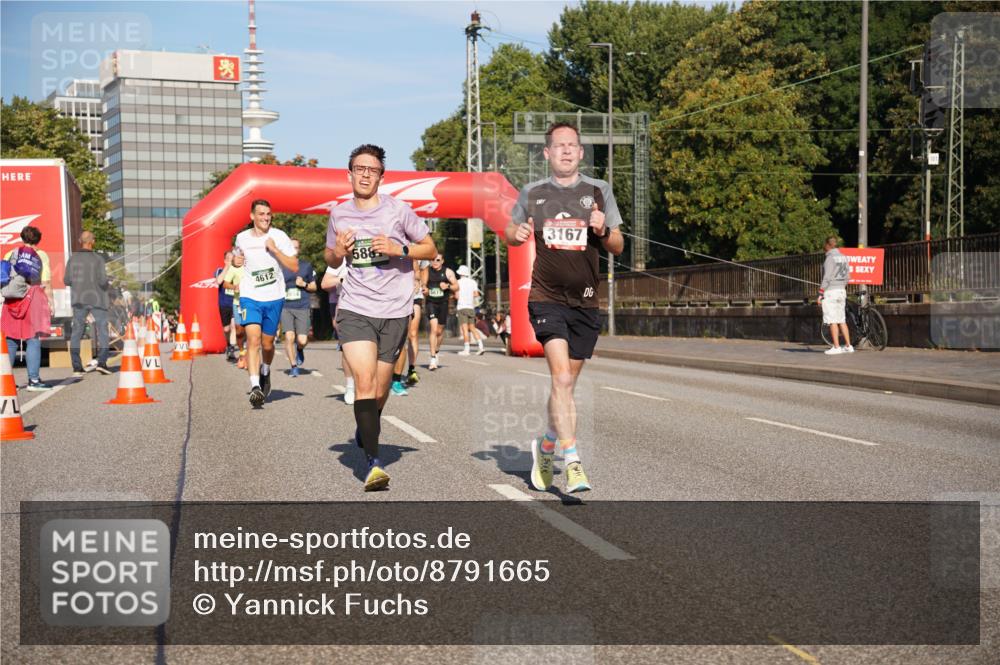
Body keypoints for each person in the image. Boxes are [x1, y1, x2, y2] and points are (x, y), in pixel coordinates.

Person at [505, 122, 624, 493]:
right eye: (559, 145)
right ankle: (572, 462)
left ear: (581, 152)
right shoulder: (533, 192)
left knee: (566, 385)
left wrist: (604, 230)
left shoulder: (599, 190)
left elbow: (618, 245)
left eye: (573, 145)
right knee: (560, 378)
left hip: (586, 302)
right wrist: (516, 234)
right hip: (546, 297)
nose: (567, 150)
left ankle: (546, 445)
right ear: (547, 153)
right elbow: (509, 230)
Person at [324, 143, 437, 491]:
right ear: (349, 174)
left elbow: (430, 248)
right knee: (364, 381)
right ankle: (373, 463)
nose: (365, 175)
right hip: (355, 308)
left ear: (381, 177)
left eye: (372, 170)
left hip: (395, 310)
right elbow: (330, 258)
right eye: (359, 168)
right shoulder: (339, 214)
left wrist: (398, 248)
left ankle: (367, 424)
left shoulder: (398, 211)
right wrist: (338, 251)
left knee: (380, 390)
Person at [234, 199, 298, 407]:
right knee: (253, 340)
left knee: (267, 344)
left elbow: (294, 266)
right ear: (252, 216)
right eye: (261, 214)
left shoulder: (279, 236)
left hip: (274, 296)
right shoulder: (242, 237)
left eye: (268, 214)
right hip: (250, 295)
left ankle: (265, 370)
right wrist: (235, 261)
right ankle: (255, 387)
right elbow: (237, 257)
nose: (265, 217)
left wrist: (275, 250)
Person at [2, 226, 53, 390]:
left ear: (22, 238)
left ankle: (6, 381)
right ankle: (34, 380)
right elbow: (45, 282)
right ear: (38, 240)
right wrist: (50, 302)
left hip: (11, 300)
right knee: (33, 339)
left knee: (10, 340)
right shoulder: (41, 255)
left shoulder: (10, 254)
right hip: (32, 299)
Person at [64, 230, 112, 376]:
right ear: (92, 242)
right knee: (102, 330)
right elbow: (102, 281)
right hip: (98, 299)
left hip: (79, 299)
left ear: (81, 241)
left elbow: (67, 280)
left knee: (77, 332)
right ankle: (102, 363)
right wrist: (107, 283)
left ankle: (77, 367)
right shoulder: (98, 259)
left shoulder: (73, 259)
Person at [280, 238, 317, 377]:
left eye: (295, 247)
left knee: (302, 340)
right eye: (290, 247)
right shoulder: (279, 266)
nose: (293, 249)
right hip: (285, 306)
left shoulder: (306, 266)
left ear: (299, 250)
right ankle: (293, 366)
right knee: (289, 337)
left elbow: (314, 287)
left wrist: (304, 285)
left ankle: (300, 349)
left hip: (302, 306)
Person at [389, 259, 426, 396]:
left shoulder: (410, 253)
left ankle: (398, 379)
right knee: (384, 340)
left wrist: (418, 281)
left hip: (408, 298)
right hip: (385, 298)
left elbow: (418, 269)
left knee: (403, 338)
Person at [321, 261, 355, 403]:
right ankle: (350, 386)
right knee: (348, 348)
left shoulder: (380, 252)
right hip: (348, 306)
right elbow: (324, 283)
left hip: (377, 307)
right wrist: (343, 278)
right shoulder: (341, 260)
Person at [819, 235, 854, 355]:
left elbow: (827, 277)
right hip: (841, 290)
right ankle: (849, 346)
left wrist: (821, 293)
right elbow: (848, 276)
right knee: (841, 319)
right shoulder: (844, 257)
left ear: (827, 245)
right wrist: (841, 285)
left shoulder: (830, 258)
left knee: (832, 320)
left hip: (831, 292)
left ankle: (836, 347)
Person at [424, 253, 457, 370]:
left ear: (442, 261)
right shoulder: (427, 271)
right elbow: (423, 284)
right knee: (433, 329)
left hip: (443, 303)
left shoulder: (448, 272)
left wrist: (448, 286)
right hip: (431, 303)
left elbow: (456, 287)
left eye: (438, 260)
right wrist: (425, 289)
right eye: (433, 260)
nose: (435, 262)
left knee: (439, 330)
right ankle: (432, 358)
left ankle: (437, 350)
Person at [222, 249, 247, 367]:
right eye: (236, 257)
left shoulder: (249, 267)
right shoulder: (232, 269)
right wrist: (234, 286)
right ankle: (241, 351)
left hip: (250, 303)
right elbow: (225, 284)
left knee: (250, 329)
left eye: (240, 257)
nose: (238, 260)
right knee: (239, 331)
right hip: (237, 303)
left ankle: (248, 356)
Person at [455, 264, 484, 356]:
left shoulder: (457, 282)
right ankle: (481, 347)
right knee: (472, 328)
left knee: (464, 329)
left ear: (460, 273)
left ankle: (466, 350)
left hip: (462, 307)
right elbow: (476, 294)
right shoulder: (473, 282)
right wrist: (469, 296)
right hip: (471, 307)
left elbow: (457, 296)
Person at [215, 250, 237, 361]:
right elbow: (219, 281)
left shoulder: (238, 271)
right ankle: (228, 344)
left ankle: (232, 349)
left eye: (232, 259)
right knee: (226, 329)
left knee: (234, 326)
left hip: (235, 302)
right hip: (224, 304)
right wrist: (227, 267)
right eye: (229, 259)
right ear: (225, 260)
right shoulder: (220, 270)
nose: (231, 261)